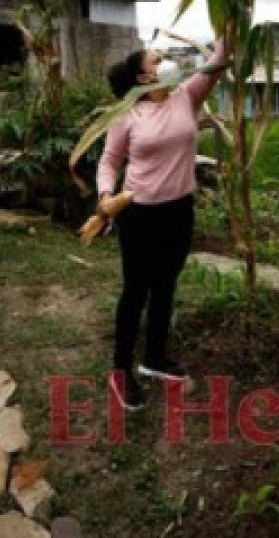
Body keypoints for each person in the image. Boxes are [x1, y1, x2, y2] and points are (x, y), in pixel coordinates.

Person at [96, 37, 229, 411]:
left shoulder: (186, 95)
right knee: (136, 289)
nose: (168, 63)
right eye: (158, 60)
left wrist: (228, 25)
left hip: (179, 209)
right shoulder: (127, 115)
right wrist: (106, 193)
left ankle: (154, 357)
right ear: (143, 77)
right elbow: (109, 161)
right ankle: (121, 371)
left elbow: (220, 60)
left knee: (166, 284)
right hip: (139, 213)